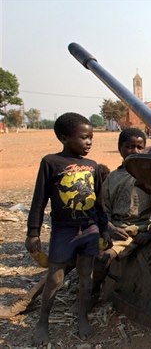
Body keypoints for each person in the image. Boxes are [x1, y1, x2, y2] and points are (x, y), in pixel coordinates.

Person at [25, 112, 111, 345]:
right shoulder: (50, 163)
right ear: (64, 138)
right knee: (54, 279)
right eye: (84, 137)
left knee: (86, 277)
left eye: (91, 138)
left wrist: (104, 230)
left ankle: (82, 317)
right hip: (64, 232)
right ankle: (43, 322)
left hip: (90, 230)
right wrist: (33, 232)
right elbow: (39, 201)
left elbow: (99, 203)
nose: (89, 142)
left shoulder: (92, 167)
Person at [93, 128, 151, 301]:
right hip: (114, 227)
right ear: (120, 148)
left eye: (140, 147)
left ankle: (92, 295)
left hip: (136, 228)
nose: (135, 151)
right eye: (130, 147)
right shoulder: (112, 178)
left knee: (103, 257)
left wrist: (148, 233)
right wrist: (108, 228)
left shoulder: (149, 176)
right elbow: (104, 208)